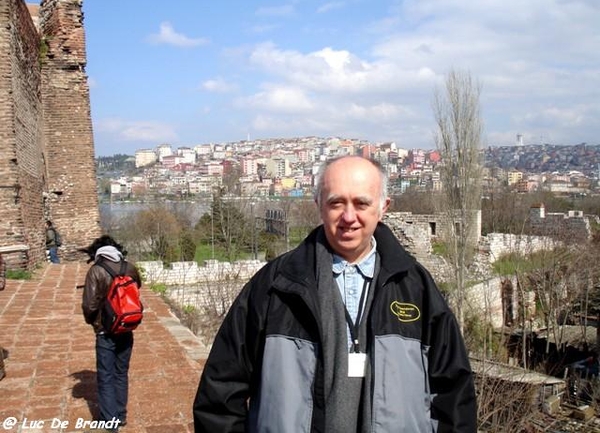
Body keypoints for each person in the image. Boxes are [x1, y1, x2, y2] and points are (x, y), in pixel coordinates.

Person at [193, 155, 477, 432]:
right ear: (319, 206)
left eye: (362, 203)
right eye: (336, 203)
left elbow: (453, 397)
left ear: (383, 207)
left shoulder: (416, 288)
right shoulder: (276, 286)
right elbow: (220, 393)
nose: (349, 217)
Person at [80, 235, 142, 432]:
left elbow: (90, 306)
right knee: (121, 372)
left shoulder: (96, 271)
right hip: (126, 327)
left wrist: (95, 323)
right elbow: (136, 289)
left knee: (106, 375)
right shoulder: (129, 267)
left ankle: (109, 420)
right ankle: (121, 415)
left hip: (106, 331)